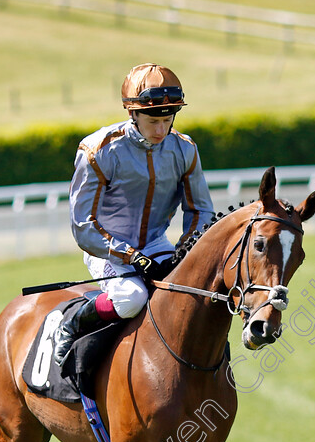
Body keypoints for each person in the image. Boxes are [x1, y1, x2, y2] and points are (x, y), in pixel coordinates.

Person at [53, 63, 215, 365]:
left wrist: (185, 250)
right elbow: (82, 226)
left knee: (192, 293)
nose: (161, 130)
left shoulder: (184, 150)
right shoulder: (98, 150)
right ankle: (75, 321)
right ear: (132, 114)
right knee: (132, 298)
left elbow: (201, 210)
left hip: (156, 243)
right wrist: (130, 256)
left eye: (167, 121)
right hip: (107, 249)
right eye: (153, 121)